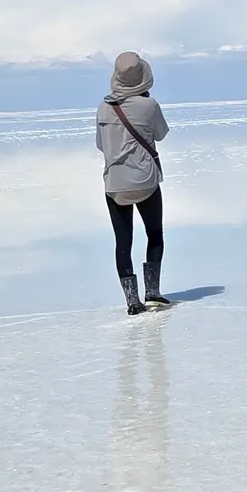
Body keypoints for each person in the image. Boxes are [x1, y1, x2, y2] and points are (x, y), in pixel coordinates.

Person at [97, 52, 171, 315]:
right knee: (155, 234)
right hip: (145, 180)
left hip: (114, 183)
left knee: (123, 241)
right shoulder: (149, 106)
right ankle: (152, 293)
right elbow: (161, 134)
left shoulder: (104, 107)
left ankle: (132, 301)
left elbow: (100, 145)